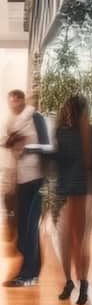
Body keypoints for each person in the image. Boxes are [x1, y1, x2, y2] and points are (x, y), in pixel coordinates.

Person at [55, 95, 92, 305]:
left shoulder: (63, 133)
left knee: (68, 240)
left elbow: (59, 161)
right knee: (80, 240)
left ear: (70, 111)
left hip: (72, 191)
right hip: (88, 191)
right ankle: (82, 285)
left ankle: (72, 283)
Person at [1, 89, 50, 287]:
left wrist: (25, 147)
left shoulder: (35, 117)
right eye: (10, 102)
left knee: (29, 228)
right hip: (20, 181)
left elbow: (46, 146)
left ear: (22, 100)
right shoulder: (11, 122)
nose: (13, 105)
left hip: (36, 179)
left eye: (16, 101)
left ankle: (28, 275)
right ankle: (32, 271)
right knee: (23, 229)